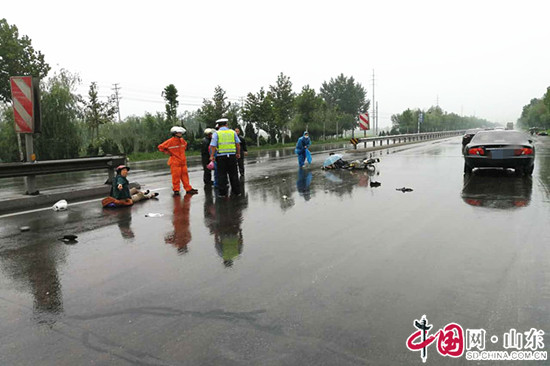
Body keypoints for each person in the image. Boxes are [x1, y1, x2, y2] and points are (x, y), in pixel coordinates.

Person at [158, 126, 198, 196]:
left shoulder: (182, 140)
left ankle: (188, 189)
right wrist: (169, 153)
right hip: (175, 162)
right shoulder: (170, 141)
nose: (180, 134)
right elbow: (160, 147)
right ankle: (176, 190)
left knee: (185, 176)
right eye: (179, 133)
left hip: (182, 162)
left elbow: (185, 145)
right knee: (176, 177)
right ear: (175, 133)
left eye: (180, 132)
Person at [209, 118, 241, 197]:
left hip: (221, 157)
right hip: (232, 156)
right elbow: (237, 144)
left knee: (221, 175)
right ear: (226, 124)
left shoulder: (216, 133)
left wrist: (212, 155)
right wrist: (238, 153)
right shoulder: (233, 132)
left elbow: (213, 145)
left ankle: (222, 193)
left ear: (218, 126)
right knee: (234, 174)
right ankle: (236, 192)